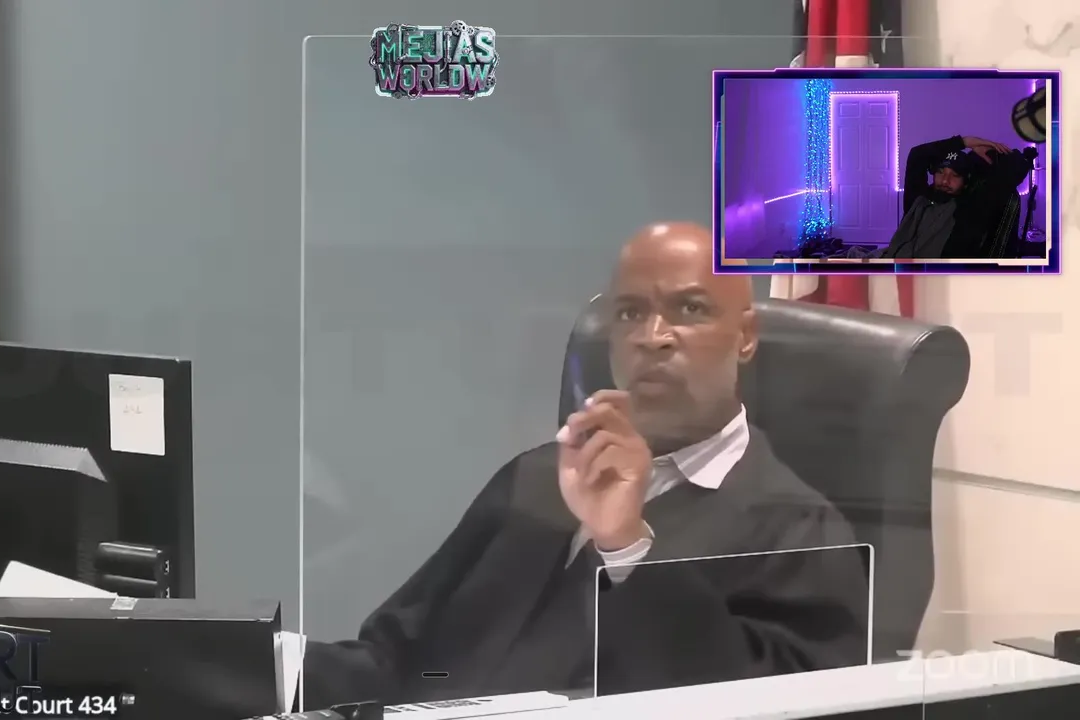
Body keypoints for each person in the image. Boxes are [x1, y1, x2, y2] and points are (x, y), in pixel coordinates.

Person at [302, 223, 868, 707]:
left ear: (744, 337)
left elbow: (771, 706)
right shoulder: (537, 479)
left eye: (690, 309)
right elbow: (396, 658)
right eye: (630, 313)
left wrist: (627, 548)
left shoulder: (796, 528)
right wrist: (274, 668)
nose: (653, 338)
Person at [868, 135, 1033, 259]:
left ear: (966, 181)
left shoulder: (970, 209)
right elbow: (917, 155)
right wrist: (965, 142)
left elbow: (1014, 167)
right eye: (941, 172)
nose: (945, 181)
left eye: (955, 175)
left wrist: (979, 157)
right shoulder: (918, 199)